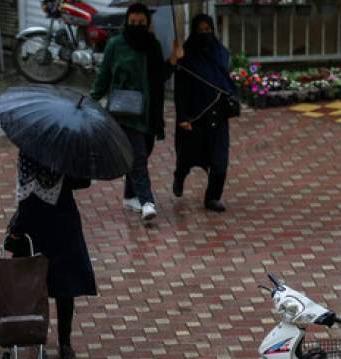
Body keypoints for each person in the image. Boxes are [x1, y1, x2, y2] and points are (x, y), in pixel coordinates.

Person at [91, 3, 183, 223]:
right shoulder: (116, 45)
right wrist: (90, 100)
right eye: (133, 23)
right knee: (139, 156)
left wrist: (173, 59)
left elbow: (159, 77)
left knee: (143, 152)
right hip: (125, 111)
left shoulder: (153, 45)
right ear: (126, 21)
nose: (136, 26)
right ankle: (147, 202)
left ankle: (129, 195)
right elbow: (103, 77)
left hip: (150, 112)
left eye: (141, 23)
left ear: (147, 23)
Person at [6, 152, 97, 359]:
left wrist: (17, 230)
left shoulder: (28, 152)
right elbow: (83, 181)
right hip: (63, 221)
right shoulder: (64, 151)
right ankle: (65, 343)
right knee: (65, 285)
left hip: (33, 224)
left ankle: (32, 335)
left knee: (32, 283)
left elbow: (24, 196)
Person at [172, 14, 237, 213]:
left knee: (219, 160)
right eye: (201, 31)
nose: (205, 34)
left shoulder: (221, 54)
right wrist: (183, 117)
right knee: (187, 156)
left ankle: (213, 197)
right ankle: (179, 176)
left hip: (218, 115)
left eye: (208, 30)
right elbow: (180, 91)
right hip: (194, 116)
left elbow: (227, 83)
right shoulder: (186, 57)